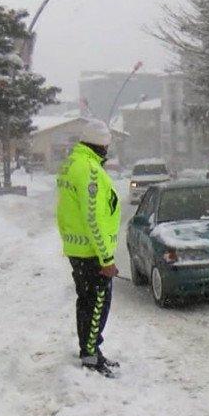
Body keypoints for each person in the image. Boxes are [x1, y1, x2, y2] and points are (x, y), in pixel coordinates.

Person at [56, 119, 122, 378]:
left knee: (86, 302)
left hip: (78, 249)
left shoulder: (72, 163)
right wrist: (106, 259)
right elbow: (93, 218)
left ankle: (90, 350)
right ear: (101, 145)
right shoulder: (89, 170)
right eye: (107, 146)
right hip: (92, 252)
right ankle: (91, 356)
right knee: (97, 305)